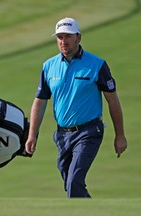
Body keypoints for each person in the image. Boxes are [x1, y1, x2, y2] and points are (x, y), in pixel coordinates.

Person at [25, 18, 127, 198]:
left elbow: (113, 101)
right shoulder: (49, 66)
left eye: (68, 36)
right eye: (60, 37)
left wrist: (120, 135)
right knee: (69, 183)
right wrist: (32, 134)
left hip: (89, 131)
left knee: (74, 181)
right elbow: (40, 101)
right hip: (62, 134)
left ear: (78, 37)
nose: (63, 41)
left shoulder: (97, 65)